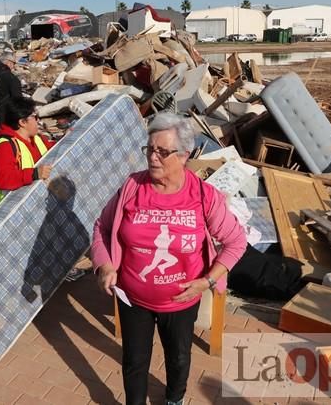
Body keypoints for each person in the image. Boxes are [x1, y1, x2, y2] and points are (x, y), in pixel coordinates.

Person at [91, 112, 247, 405]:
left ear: (185, 155)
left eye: (163, 152)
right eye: (149, 149)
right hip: (133, 298)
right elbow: (102, 227)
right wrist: (105, 265)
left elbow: (235, 241)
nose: (153, 158)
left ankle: (174, 399)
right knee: (134, 361)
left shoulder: (203, 196)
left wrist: (208, 281)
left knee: (178, 358)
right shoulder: (132, 188)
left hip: (180, 302)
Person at [0, 96, 53, 206]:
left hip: (36, 203)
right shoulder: (5, 146)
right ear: (22, 122)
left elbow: (54, 151)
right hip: (13, 208)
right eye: (35, 117)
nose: (39, 121)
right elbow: (3, 179)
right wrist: (34, 174)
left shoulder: (39, 139)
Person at [0, 51, 23, 138]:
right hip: (7, 118)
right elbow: (18, 101)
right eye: (13, 63)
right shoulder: (11, 78)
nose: (14, 66)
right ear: (8, 62)